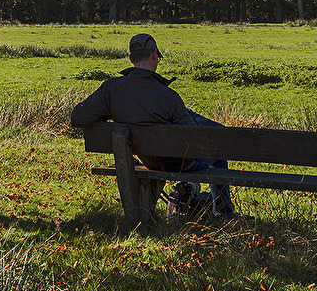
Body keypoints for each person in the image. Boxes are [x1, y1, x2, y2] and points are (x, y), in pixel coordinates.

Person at [70, 33, 235, 220]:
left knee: (192, 117)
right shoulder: (168, 96)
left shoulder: (111, 89)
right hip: (176, 163)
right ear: (155, 56)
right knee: (219, 147)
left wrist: (112, 113)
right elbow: (193, 138)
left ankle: (191, 189)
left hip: (149, 160)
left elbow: (78, 117)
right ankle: (223, 213)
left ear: (131, 58)